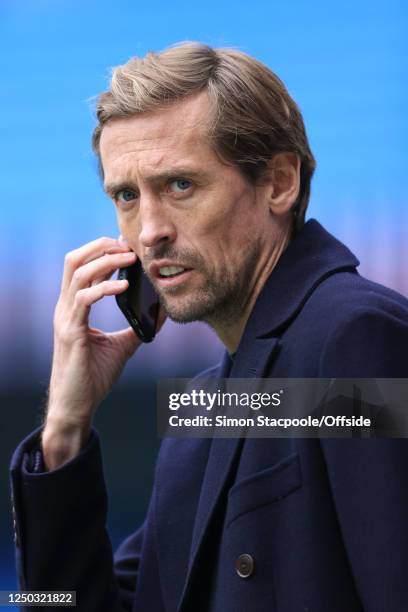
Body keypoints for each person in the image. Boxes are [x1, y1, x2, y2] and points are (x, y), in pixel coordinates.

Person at [10, 42, 408, 611]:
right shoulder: (203, 408)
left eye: (179, 185)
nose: (149, 232)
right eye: (127, 195)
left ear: (278, 183)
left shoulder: (354, 336)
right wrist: (64, 431)